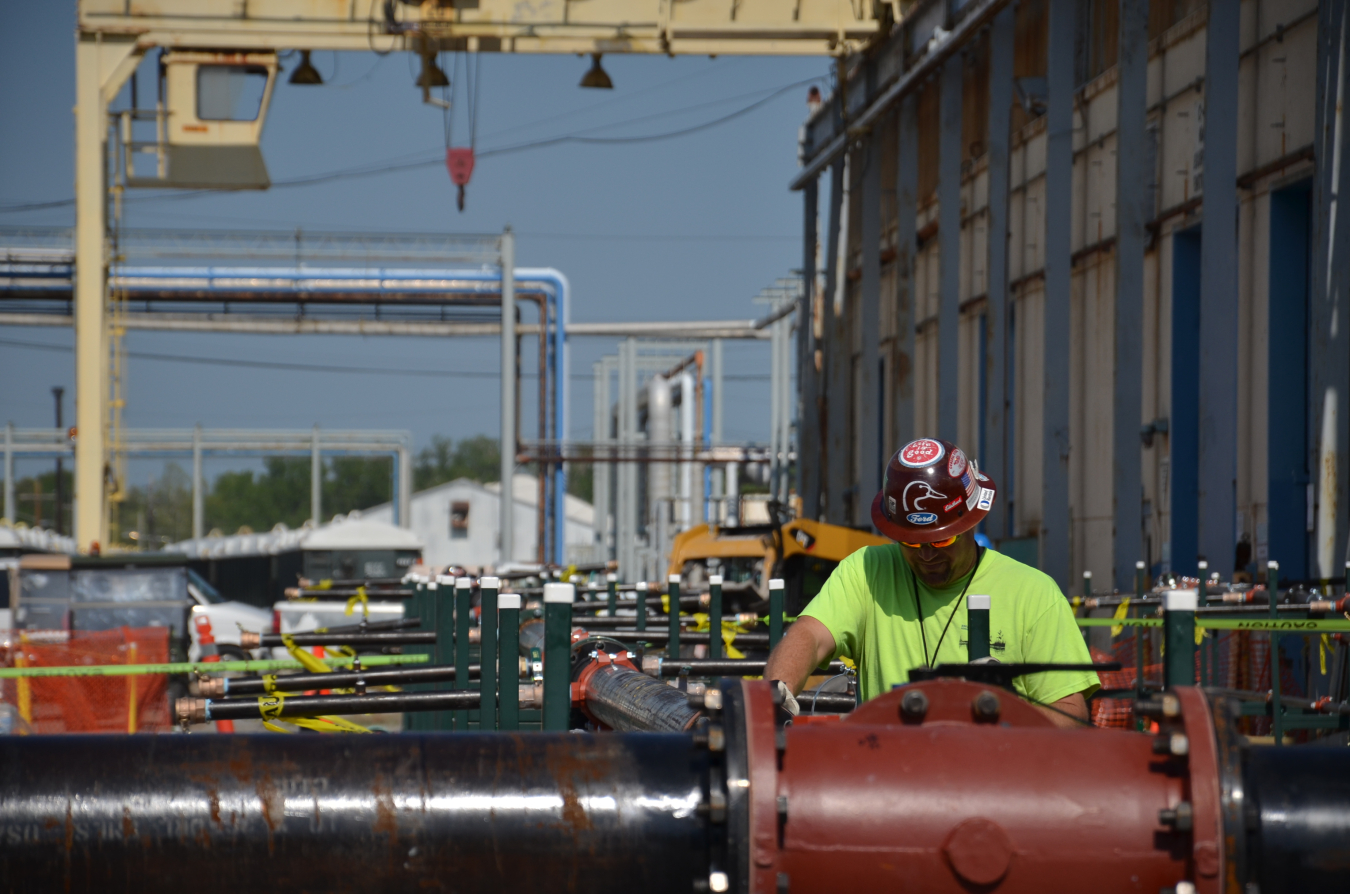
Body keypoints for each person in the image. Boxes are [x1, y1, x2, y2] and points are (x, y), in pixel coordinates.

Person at [763, 438, 1099, 728]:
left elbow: (1071, 716)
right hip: (891, 782)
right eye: (910, 543)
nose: (925, 555)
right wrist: (776, 696)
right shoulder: (866, 572)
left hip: (999, 786)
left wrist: (1003, 711)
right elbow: (808, 635)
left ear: (971, 522)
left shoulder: (1034, 595)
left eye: (940, 542)